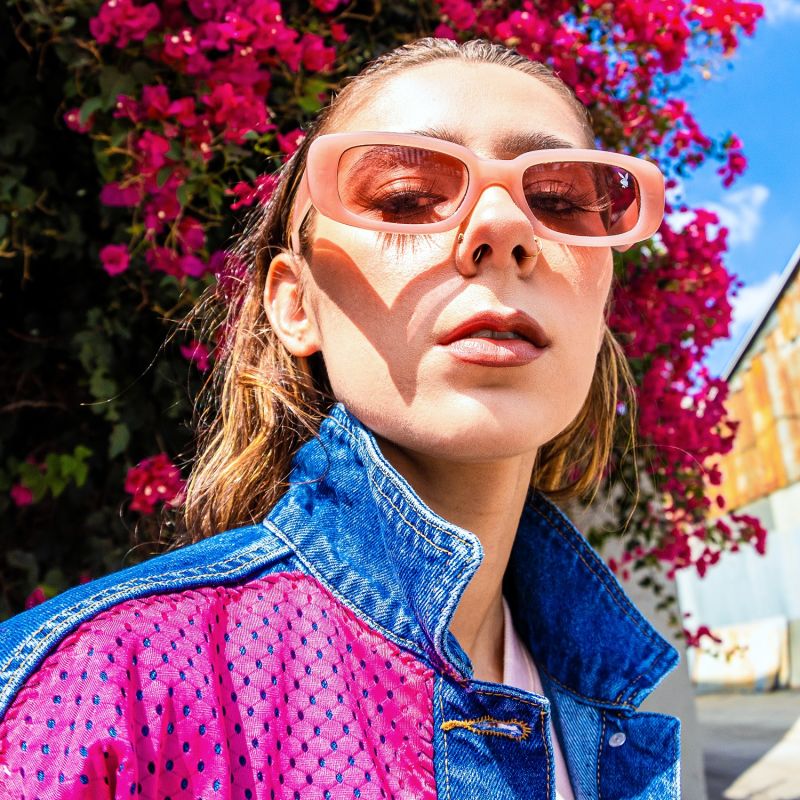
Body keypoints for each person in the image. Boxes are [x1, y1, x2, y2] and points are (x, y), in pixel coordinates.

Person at [0, 38, 680, 800]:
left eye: (558, 200)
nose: (503, 229)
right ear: (296, 303)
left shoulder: (605, 717)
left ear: (602, 301)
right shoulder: (94, 696)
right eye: (404, 194)